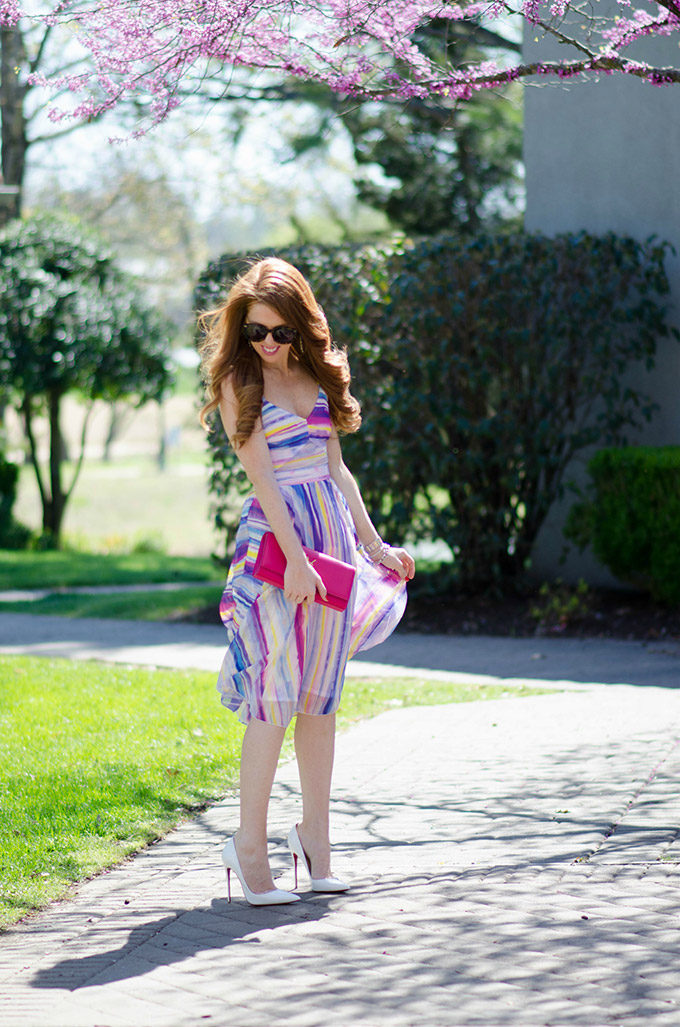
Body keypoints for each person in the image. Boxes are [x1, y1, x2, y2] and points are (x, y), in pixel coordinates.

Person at [199, 257, 415, 905]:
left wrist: (375, 546)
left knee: (320, 698)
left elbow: (337, 471)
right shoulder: (243, 379)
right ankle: (249, 847)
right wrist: (293, 558)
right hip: (276, 547)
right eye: (256, 331)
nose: (267, 343)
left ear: (301, 327)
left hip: (331, 545)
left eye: (280, 332)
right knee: (274, 693)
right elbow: (262, 476)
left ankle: (316, 844)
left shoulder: (315, 378)